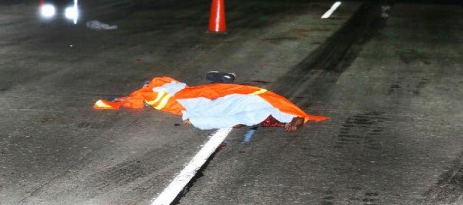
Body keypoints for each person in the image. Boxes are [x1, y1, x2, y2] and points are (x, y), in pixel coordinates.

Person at [94, 76, 329, 132]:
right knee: (223, 110)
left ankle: (198, 117)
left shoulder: (268, 111)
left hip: (226, 104)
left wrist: (294, 120)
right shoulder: (269, 111)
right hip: (218, 102)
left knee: (227, 114)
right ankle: (198, 116)